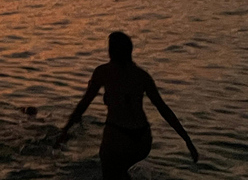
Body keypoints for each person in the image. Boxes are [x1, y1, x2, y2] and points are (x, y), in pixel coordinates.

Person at [57, 31, 198, 179]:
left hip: (118, 135)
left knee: (110, 172)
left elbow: (83, 104)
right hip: (143, 140)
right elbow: (163, 109)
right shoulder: (142, 76)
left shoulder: (103, 72)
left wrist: (65, 129)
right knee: (120, 172)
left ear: (110, 51)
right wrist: (187, 140)